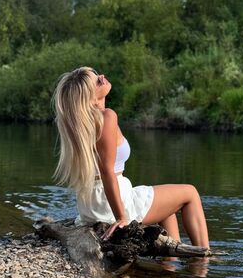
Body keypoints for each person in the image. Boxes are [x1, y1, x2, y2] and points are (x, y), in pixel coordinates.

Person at [52, 66, 210, 248]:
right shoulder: (106, 117)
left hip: (93, 205)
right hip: (112, 203)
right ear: (90, 96)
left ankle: (171, 260)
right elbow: (107, 171)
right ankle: (205, 256)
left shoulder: (81, 125)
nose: (102, 77)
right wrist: (121, 217)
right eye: (96, 81)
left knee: (168, 209)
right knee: (190, 193)